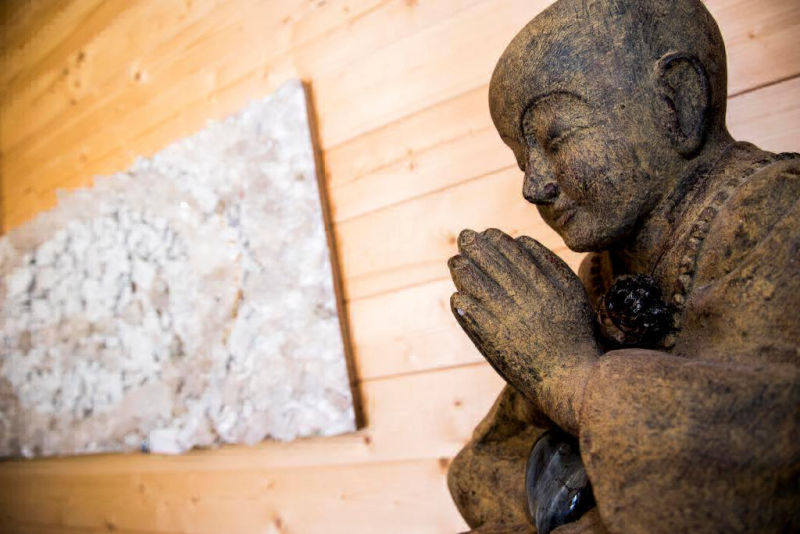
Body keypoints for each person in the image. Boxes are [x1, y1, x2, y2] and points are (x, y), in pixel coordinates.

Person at [446, 0, 800, 532]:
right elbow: (482, 470)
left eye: (556, 136)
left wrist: (570, 379)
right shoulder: (597, 275)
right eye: (522, 157)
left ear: (677, 103)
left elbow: (775, 444)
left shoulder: (779, 214)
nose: (533, 184)